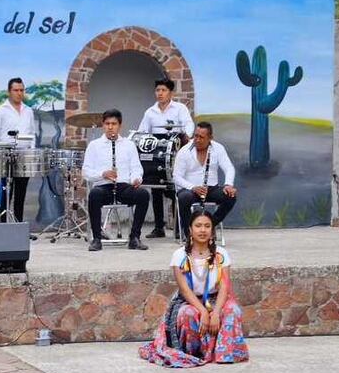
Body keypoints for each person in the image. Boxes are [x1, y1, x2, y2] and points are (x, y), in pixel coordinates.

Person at [139, 209, 249, 367]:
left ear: (212, 230)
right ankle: (195, 353)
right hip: (189, 300)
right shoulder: (180, 255)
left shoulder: (221, 254)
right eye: (198, 226)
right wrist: (203, 311)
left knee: (232, 309)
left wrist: (216, 312)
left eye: (207, 226)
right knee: (188, 313)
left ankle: (225, 353)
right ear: (190, 229)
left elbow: (225, 286)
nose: (203, 230)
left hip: (216, 299)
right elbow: (184, 290)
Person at [81, 109, 149, 251]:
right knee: (94, 195)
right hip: (103, 186)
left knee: (143, 194)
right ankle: (97, 238)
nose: (110, 127)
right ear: (103, 125)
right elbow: (86, 172)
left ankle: (134, 237)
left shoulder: (129, 145)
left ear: (120, 125)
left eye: (114, 124)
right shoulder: (94, 145)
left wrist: (136, 179)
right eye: (107, 124)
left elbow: (136, 168)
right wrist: (103, 174)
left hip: (124, 186)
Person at [138, 78, 193, 238]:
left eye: (163, 90)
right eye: (158, 90)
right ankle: (159, 228)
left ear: (170, 93)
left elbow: (188, 125)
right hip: (157, 153)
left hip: (175, 151)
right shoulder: (150, 112)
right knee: (156, 189)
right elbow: (142, 131)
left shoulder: (180, 108)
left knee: (174, 189)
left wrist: (187, 137)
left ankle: (179, 228)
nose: (160, 93)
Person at [172, 121, 237, 237]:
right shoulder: (184, 151)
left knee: (230, 196)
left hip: (211, 189)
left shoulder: (218, 148)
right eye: (196, 136)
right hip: (189, 190)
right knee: (184, 198)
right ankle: (190, 234)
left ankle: (209, 224)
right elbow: (176, 176)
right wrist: (193, 187)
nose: (197, 140)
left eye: (201, 137)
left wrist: (228, 185)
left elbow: (229, 168)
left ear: (210, 138)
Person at [0, 77, 36, 222]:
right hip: (6, 156)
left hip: (24, 156)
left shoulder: (28, 111)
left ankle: (19, 225)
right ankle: (4, 226)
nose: (19, 93)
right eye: (16, 90)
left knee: (21, 194)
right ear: (9, 92)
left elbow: (32, 133)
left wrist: (32, 152)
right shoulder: (0, 111)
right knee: (7, 192)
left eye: (21, 90)